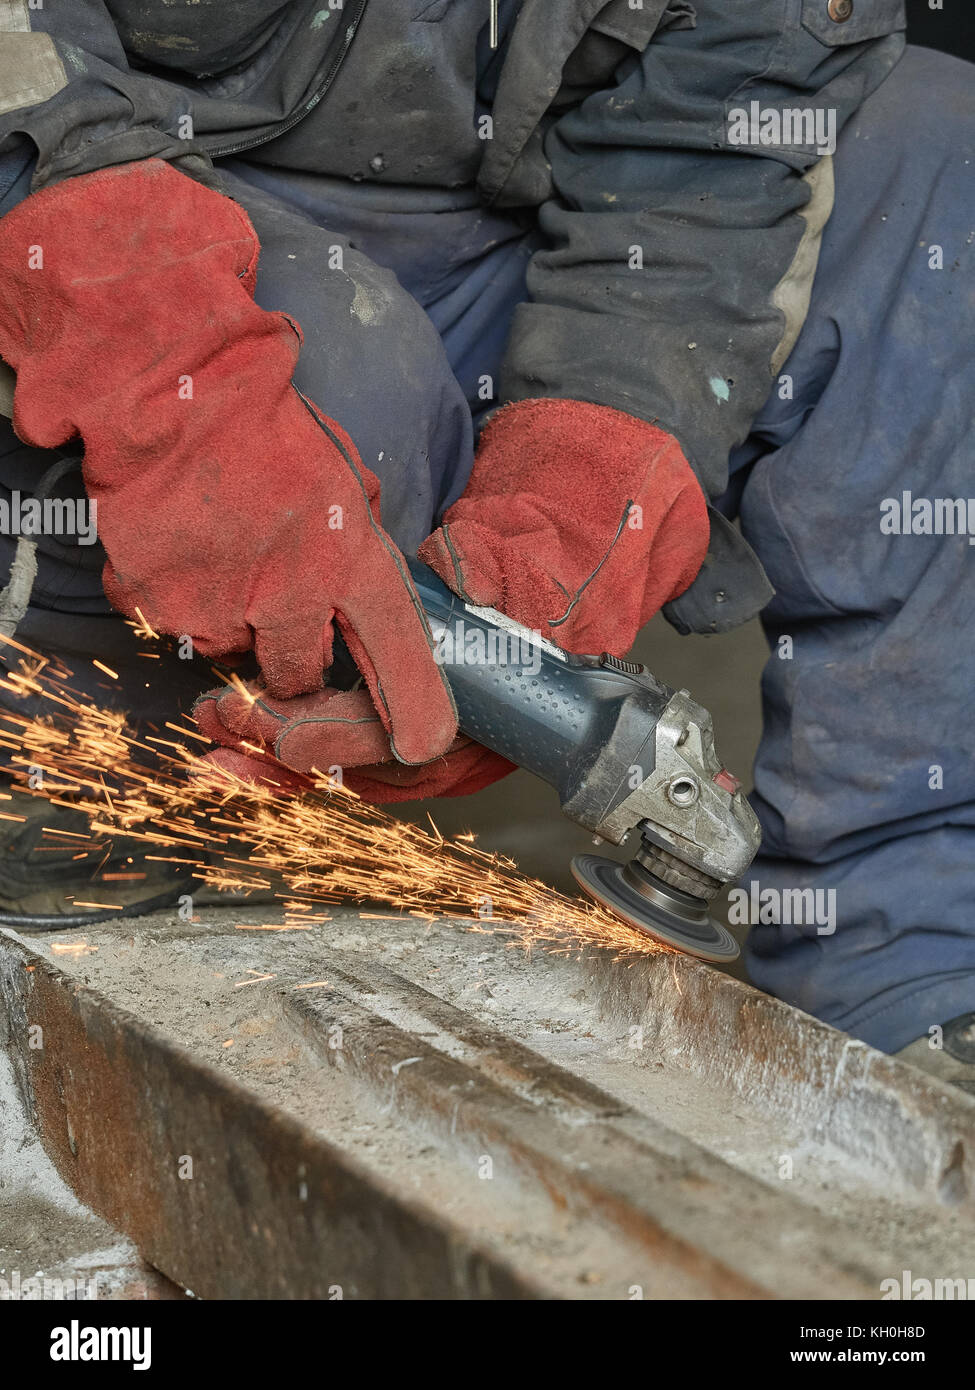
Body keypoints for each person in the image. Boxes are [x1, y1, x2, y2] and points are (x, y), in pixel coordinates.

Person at [0, 2, 971, 1077]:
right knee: (353, 395)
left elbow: (743, 87)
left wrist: (597, 455)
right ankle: (105, 773)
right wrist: (151, 359)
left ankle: (915, 974)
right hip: (124, 192)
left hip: (528, 219)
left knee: (930, 168)